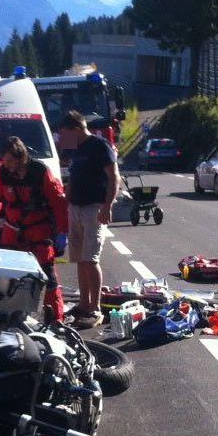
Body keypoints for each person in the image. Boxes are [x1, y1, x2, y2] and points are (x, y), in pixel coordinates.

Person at [0, 136, 70, 323]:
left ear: (21, 158)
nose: (7, 165)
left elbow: (59, 203)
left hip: (39, 232)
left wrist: (63, 231)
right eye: (4, 161)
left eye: (10, 161)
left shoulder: (40, 172)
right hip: (12, 233)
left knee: (49, 279)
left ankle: (56, 321)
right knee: (9, 279)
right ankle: (11, 318)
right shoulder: (4, 174)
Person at [60, 110, 119, 329]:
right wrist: (68, 195)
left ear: (76, 129)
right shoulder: (74, 149)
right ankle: (83, 303)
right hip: (75, 207)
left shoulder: (99, 145)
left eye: (64, 133)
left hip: (94, 208)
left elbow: (114, 177)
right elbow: (74, 175)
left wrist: (107, 206)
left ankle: (95, 307)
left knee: (91, 258)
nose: (62, 138)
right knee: (78, 258)